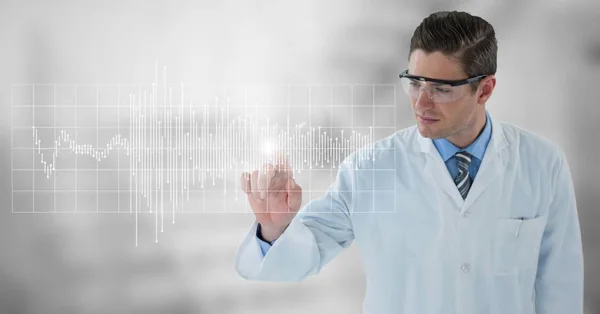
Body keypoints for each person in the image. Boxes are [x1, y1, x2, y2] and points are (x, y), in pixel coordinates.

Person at [234, 11, 584, 314]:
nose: (421, 103)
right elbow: (306, 252)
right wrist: (275, 229)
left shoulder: (542, 164)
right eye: (415, 83)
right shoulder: (370, 169)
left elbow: (560, 287)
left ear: (485, 90)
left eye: (441, 89)